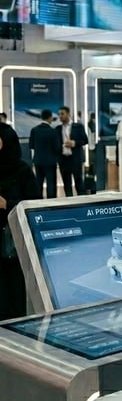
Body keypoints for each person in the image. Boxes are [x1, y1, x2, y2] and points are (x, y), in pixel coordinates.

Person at [0, 123, 40, 320]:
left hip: (12, 242)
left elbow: (33, 203)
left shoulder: (22, 170)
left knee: (13, 287)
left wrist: (7, 204)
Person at [56, 106, 88, 196]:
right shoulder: (58, 129)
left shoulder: (78, 127)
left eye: (62, 114)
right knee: (66, 184)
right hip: (63, 159)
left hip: (75, 158)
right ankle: (69, 201)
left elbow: (85, 140)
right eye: (59, 114)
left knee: (79, 181)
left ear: (68, 114)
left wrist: (74, 143)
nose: (60, 116)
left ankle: (82, 200)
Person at [29, 109, 59, 198]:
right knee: (51, 184)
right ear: (50, 118)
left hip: (38, 160)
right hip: (50, 161)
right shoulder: (53, 131)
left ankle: (39, 201)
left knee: (39, 183)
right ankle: (51, 202)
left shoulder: (34, 130)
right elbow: (57, 147)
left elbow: (31, 145)